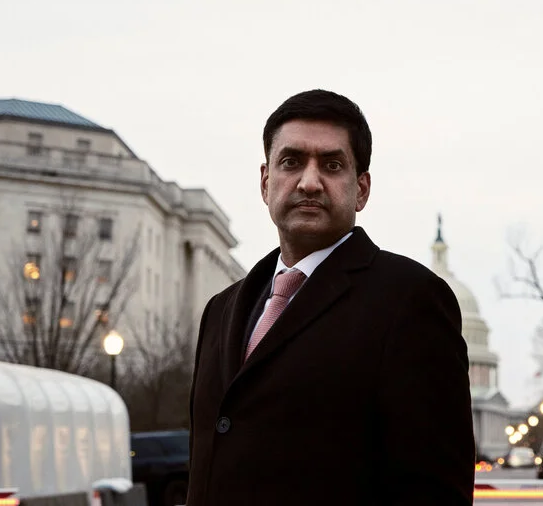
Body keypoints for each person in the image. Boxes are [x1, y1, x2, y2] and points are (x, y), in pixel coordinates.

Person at [186, 89, 475, 505]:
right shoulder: (220, 310)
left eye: (331, 165)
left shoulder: (411, 300)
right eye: (291, 162)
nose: (309, 182)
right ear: (266, 182)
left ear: (361, 189)